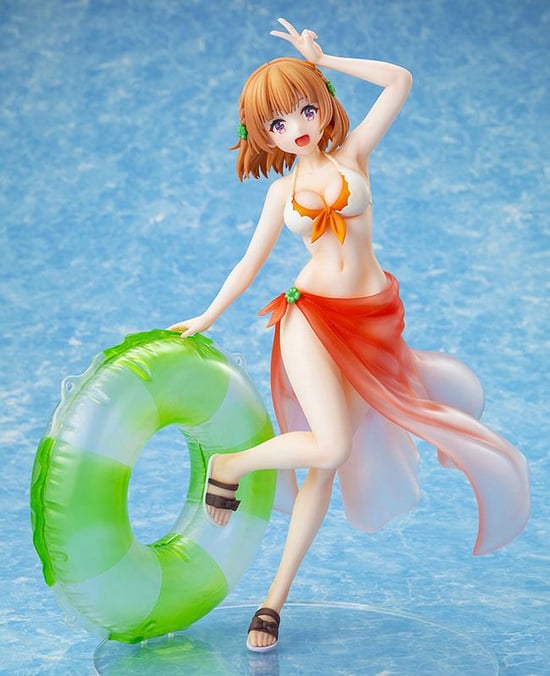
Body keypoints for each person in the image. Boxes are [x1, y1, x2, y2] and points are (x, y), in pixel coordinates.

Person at [169, 18, 529, 652]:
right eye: (279, 123)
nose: (298, 127)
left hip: (372, 323)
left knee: (324, 470)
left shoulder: (353, 154)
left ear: (325, 104)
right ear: (264, 135)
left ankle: (272, 603)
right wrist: (207, 316)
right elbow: (248, 264)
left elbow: (399, 80)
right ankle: (232, 465)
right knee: (331, 447)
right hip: (309, 317)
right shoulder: (282, 192)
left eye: (306, 109)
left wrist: (325, 57)